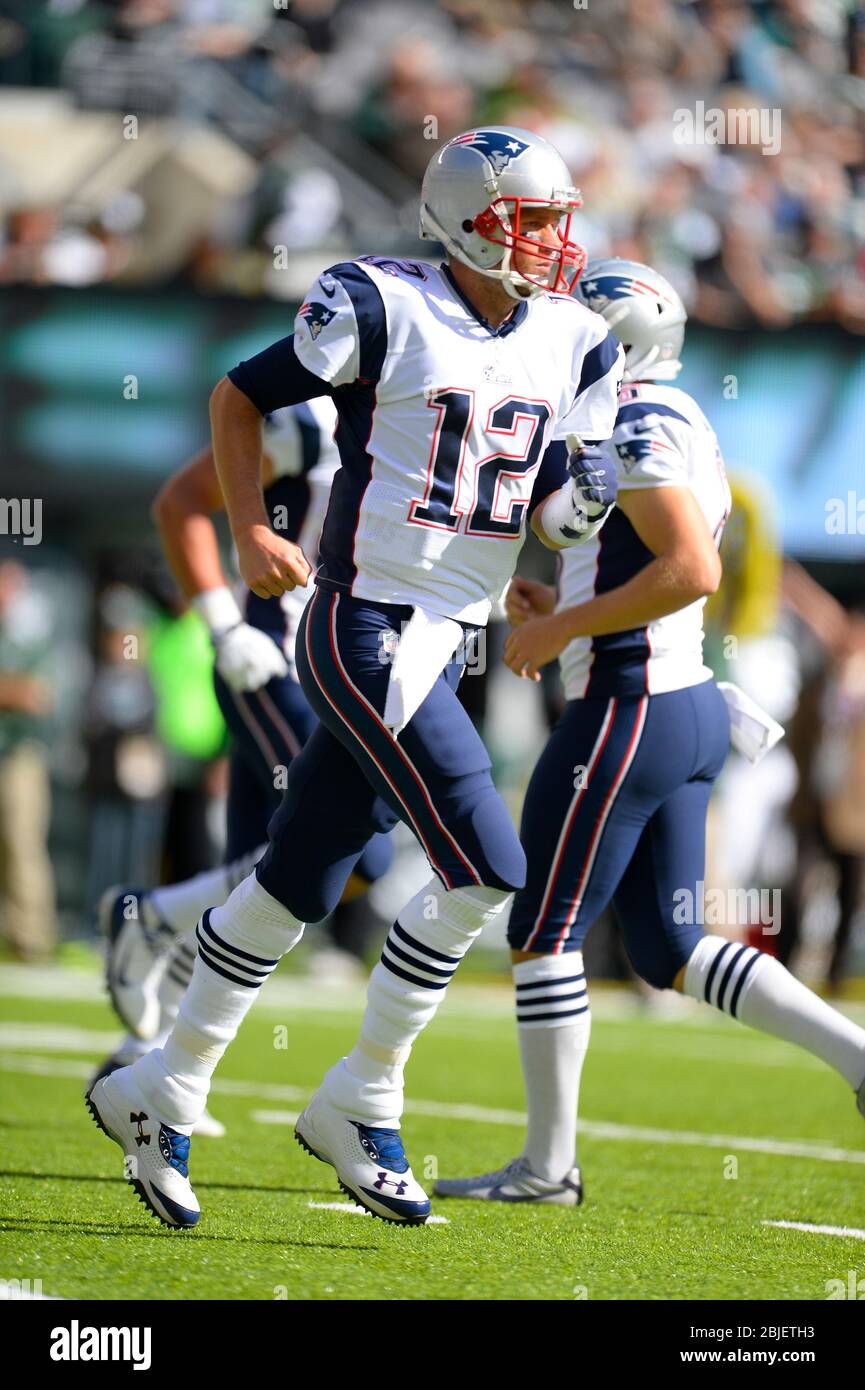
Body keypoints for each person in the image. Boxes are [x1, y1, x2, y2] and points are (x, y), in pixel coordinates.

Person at [86, 125, 625, 1227]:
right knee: (489, 863)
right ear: (470, 220)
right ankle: (361, 1095)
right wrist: (245, 527)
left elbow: (539, 489)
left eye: (554, 222)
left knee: (301, 872)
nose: (550, 244)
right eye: (529, 222)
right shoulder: (380, 302)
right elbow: (241, 395)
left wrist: (552, 553)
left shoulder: (572, 338)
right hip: (363, 621)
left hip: (450, 626)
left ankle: (164, 1082)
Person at [431, 259, 865, 1207]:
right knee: (670, 950)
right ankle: (859, 1060)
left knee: (542, 930)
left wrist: (559, 627)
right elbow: (641, 557)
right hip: (675, 703)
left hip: (631, 706)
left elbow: (692, 568)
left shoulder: (631, 423)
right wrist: (565, 595)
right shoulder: (666, 416)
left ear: (613, 341)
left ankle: (546, 1168)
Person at [94, 400, 393, 1130]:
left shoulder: (438, 417)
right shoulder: (314, 420)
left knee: (245, 901)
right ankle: (150, 918)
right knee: (359, 852)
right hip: (275, 666)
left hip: (347, 677)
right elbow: (182, 503)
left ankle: (145, 1060)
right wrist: (223, 625)